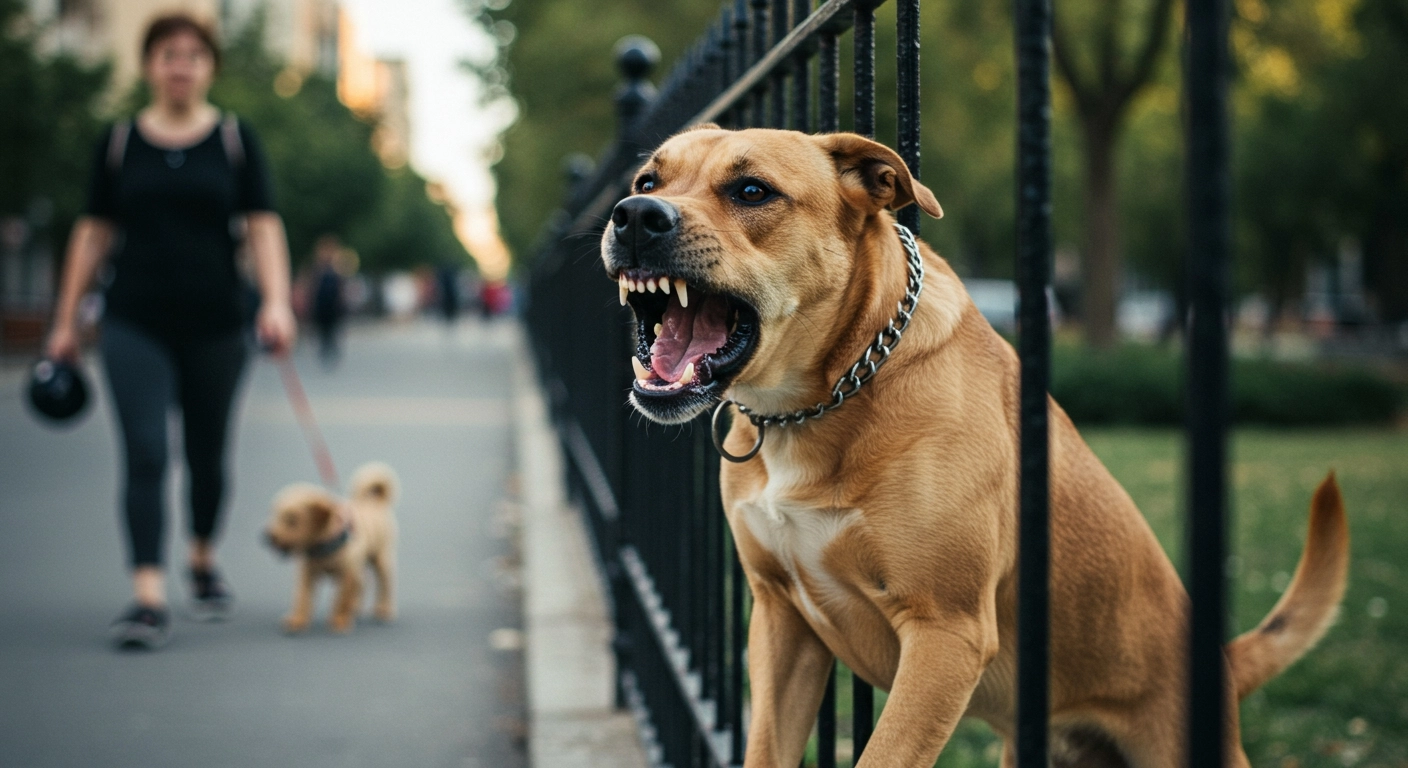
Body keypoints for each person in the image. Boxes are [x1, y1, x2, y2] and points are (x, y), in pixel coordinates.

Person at [44, 13, 296, 649]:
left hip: (217, 323)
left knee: (207, 454)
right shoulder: (121, 141)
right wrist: (66, 319)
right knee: (147, 452)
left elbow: (262, 224)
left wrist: (275, 301)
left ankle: (203, 558)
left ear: (209, 66)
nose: (180, 64)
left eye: (192, 54)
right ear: (150, 65)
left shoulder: (235, 140)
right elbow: (93, 230)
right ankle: (148, 594)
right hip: (134, 321)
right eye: (167, 54)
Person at [309, 234, 345, 364]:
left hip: (333, 306)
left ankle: (332, 349)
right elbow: (313, 288)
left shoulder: (336, 268)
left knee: (332, 329)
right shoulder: (318, 269)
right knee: (323, 330)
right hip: (322, 305)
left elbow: (340, 288)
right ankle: (325, 349)